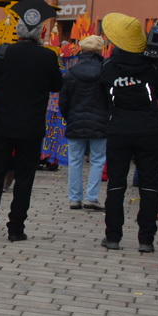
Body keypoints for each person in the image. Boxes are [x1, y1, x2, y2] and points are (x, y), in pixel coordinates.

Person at [0, 0, 61, 241]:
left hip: (1, 124)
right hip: (31, 126)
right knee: (25, 178)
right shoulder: (48, 56)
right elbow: (57, 86)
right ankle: (16, 228)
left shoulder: (3, 52)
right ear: (40, 33)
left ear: (17, 29)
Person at [98, 12, 158, 252]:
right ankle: (146, 239)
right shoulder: (152, 67)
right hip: (149, 128)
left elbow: (103, 94)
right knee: (149, 185)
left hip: (119, 128)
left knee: (116, 184)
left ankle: (113, 236)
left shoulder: (108, 66)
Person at [60, 35, 110, 209]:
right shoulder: (105, 72)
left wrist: (69, 116)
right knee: (97, 160)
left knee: (74, 160)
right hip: (100, 122)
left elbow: (63, 101)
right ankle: (92, 197)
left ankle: (74, 198)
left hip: (75, 119)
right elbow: (110, 99)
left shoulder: (72, 72)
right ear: (99, 51)